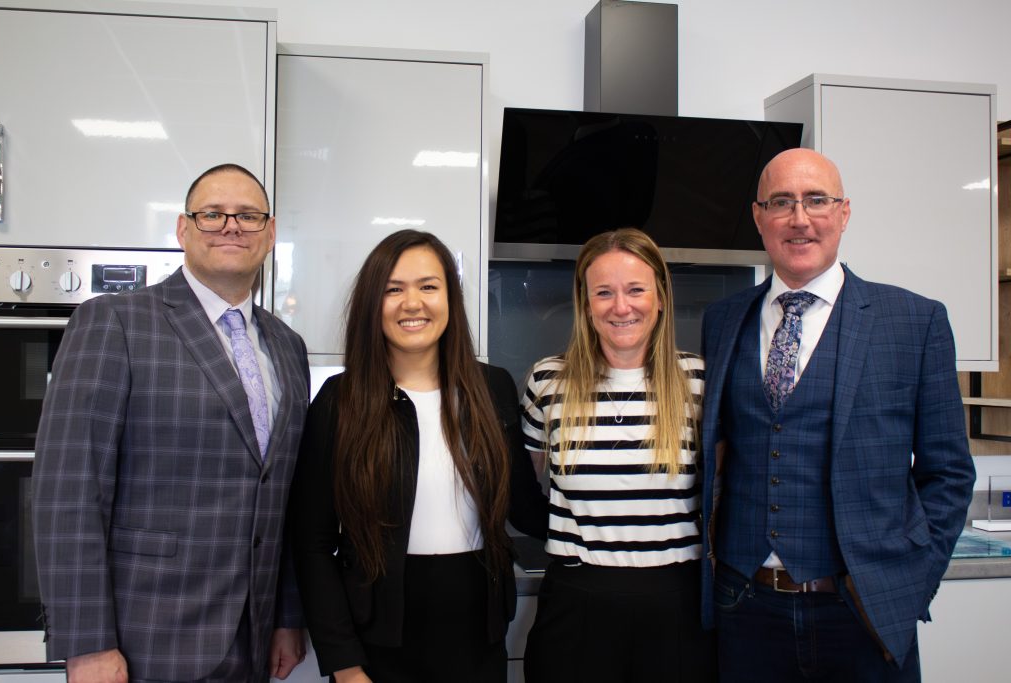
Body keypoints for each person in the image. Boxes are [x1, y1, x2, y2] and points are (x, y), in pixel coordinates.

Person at [700, 148, 976, 681]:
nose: (799, 218)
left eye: (816, 200)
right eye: (781, 202)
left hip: (864, 616)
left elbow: (948, 472)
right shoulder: (723, 320)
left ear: (844, 213)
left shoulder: (914, 321)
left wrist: (911, 584)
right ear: (758, 217)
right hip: (744, 611)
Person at [32, 164, 310, 683]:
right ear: (183, 229)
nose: (231, 226)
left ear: (270, 233)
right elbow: (69, 491)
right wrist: (88, 644)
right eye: (212, 214)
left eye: (248, 216)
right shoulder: (114, 321)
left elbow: (287, 496)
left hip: (253, 639)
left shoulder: (288, 347)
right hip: (144, 641)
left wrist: (287, 616)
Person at [291, 229, 547, 683]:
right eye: (393, 289)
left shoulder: (493, 389)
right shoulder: (340, 401)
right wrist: (345, 665)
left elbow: (525, 508)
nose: (412, 303)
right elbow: (311, 543)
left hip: (480, 639)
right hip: (379, 643)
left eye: (428, 286)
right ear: (373, 303)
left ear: (450, 298)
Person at [520, 227, 714, 682]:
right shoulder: (547, 382)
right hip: (576, 603)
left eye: (635, 290)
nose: (621, 307)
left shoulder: (698, 382)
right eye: (604, 292)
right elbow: (524, 493)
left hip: (676, 607)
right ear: (586, 304)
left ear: (660, 297)